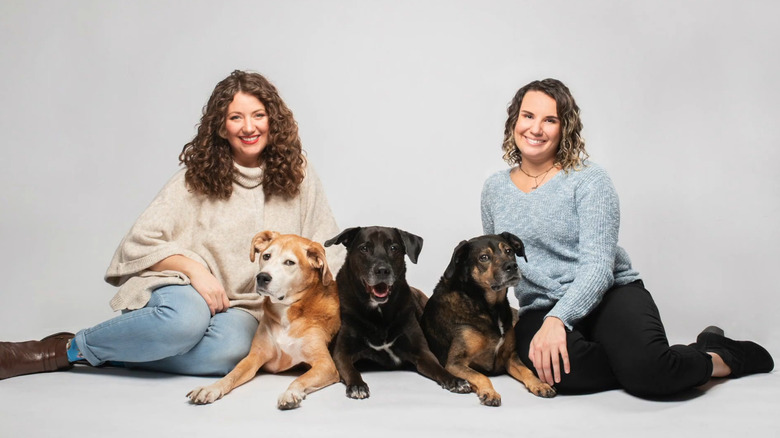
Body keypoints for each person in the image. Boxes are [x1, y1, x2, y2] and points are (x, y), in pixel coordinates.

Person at [0, 70, 345, 379]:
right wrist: (196, 271)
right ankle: (58, 351)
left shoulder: (299, 173)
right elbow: (138, 241)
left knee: (226, 353)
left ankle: (115, 351)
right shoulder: (198, 177)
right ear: (222, 127)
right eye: (235, 117)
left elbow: (328, 247)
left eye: (258, 115)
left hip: (248, 307)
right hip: (187, 288)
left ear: (273, 120)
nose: (249, 127)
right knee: (183, 323)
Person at [480, 78, 773, 396]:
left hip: (609, 294)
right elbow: (498, 267)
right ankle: (647, 362)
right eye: (528, 116)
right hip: (539, 306)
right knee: (562, 375)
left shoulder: (589, 181)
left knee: (651, 375)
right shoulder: (494, 190)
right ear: (514, 120)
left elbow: (598, 268)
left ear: (565, 128)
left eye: (550, 120)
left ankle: (718, 355)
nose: (536, 129)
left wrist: (559, 320)